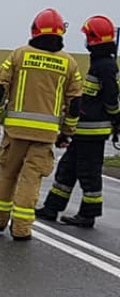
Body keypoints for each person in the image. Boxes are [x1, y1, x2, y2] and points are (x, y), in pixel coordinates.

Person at [0, 8, 83, 241]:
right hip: (45, 135)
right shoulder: (69, 64)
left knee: (8, 174)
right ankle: (21, 228)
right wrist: (66, 132)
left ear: (35, 30)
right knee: (31, 180)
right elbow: (75, 103)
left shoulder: (18, 55)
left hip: (15, 132)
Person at [35, 15, 120, 227]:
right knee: (67, 169)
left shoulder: (106, 66)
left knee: (89, 174)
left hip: (93, 132)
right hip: (83, 130)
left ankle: (88, 215)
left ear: (93, 38)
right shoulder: (100, 63)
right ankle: (51, 208)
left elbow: (111, 98)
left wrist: (116, 119)